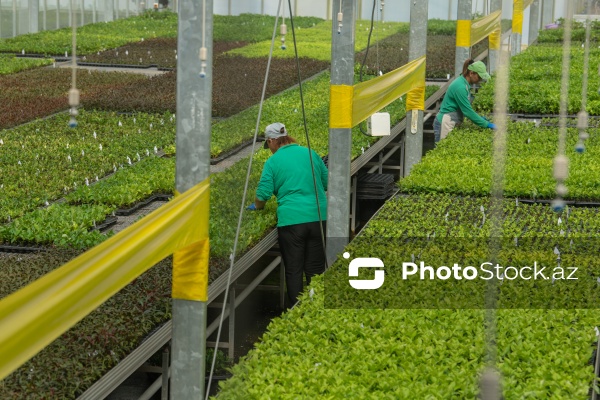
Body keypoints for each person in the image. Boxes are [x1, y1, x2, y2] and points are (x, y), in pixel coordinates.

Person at [247, 122, 328, 307]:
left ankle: (296, 313)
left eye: (268, 145)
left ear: (271, 141)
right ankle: (317, 309)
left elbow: (262, 194)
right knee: (315, 269)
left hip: (292, 222)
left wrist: (257, 207)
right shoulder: (310, 153)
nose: (269, 149)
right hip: (319, 217)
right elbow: (325, 181)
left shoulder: (273, 161)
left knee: (294, 269)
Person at [433, 59, 496, 143]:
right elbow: (467, 111)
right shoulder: (460, 87)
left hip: (450, 120)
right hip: (445, 122)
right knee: (441, 151)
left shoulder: (464, 84)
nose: (480, 80)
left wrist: (479, 118)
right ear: (471, 73)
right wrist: (486, 124)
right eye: (479, 77)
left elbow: (466, 108)